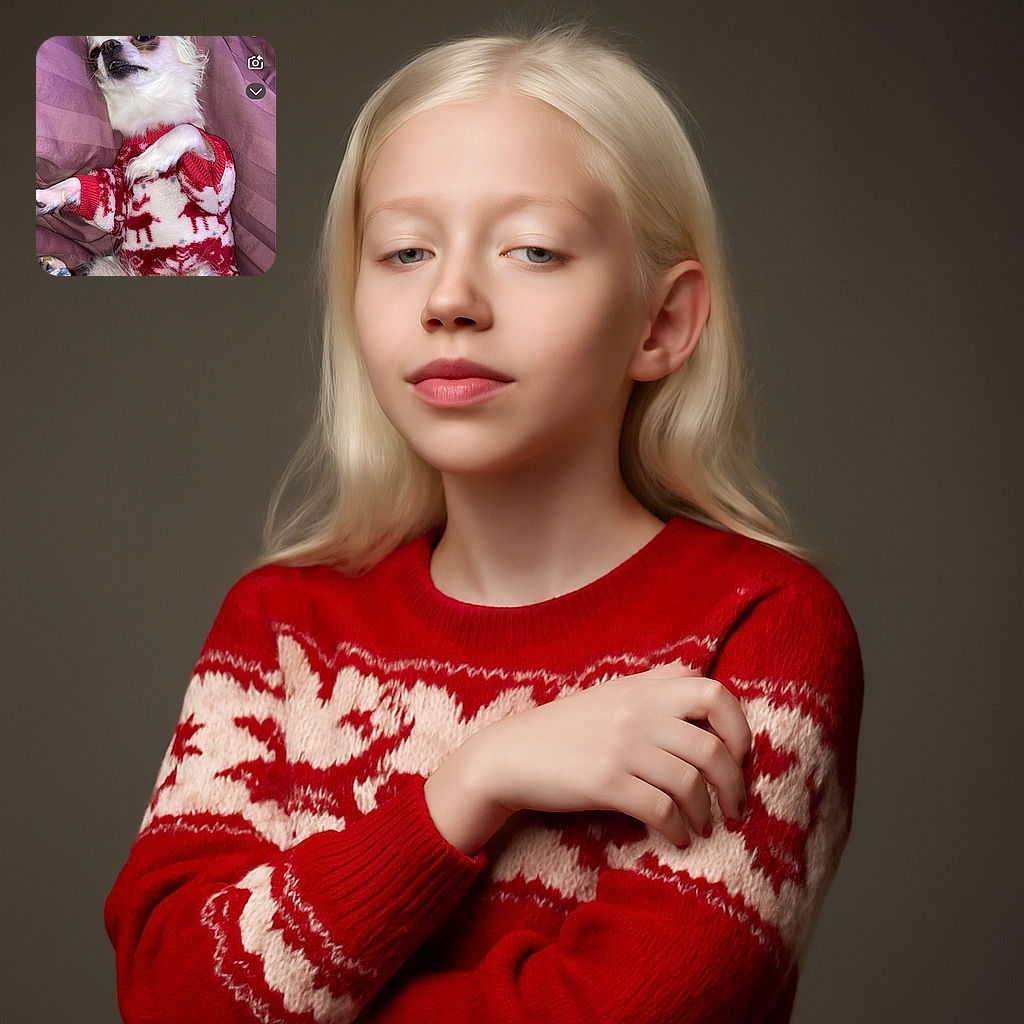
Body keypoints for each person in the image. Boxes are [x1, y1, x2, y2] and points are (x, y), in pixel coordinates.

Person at [105, 26, 863, 1024]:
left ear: (660, 324)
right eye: (404, 250)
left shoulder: (759, 630)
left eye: (533, 250)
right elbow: (172, 998)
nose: (450, 299)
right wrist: (473, 782)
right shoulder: (280, 627)